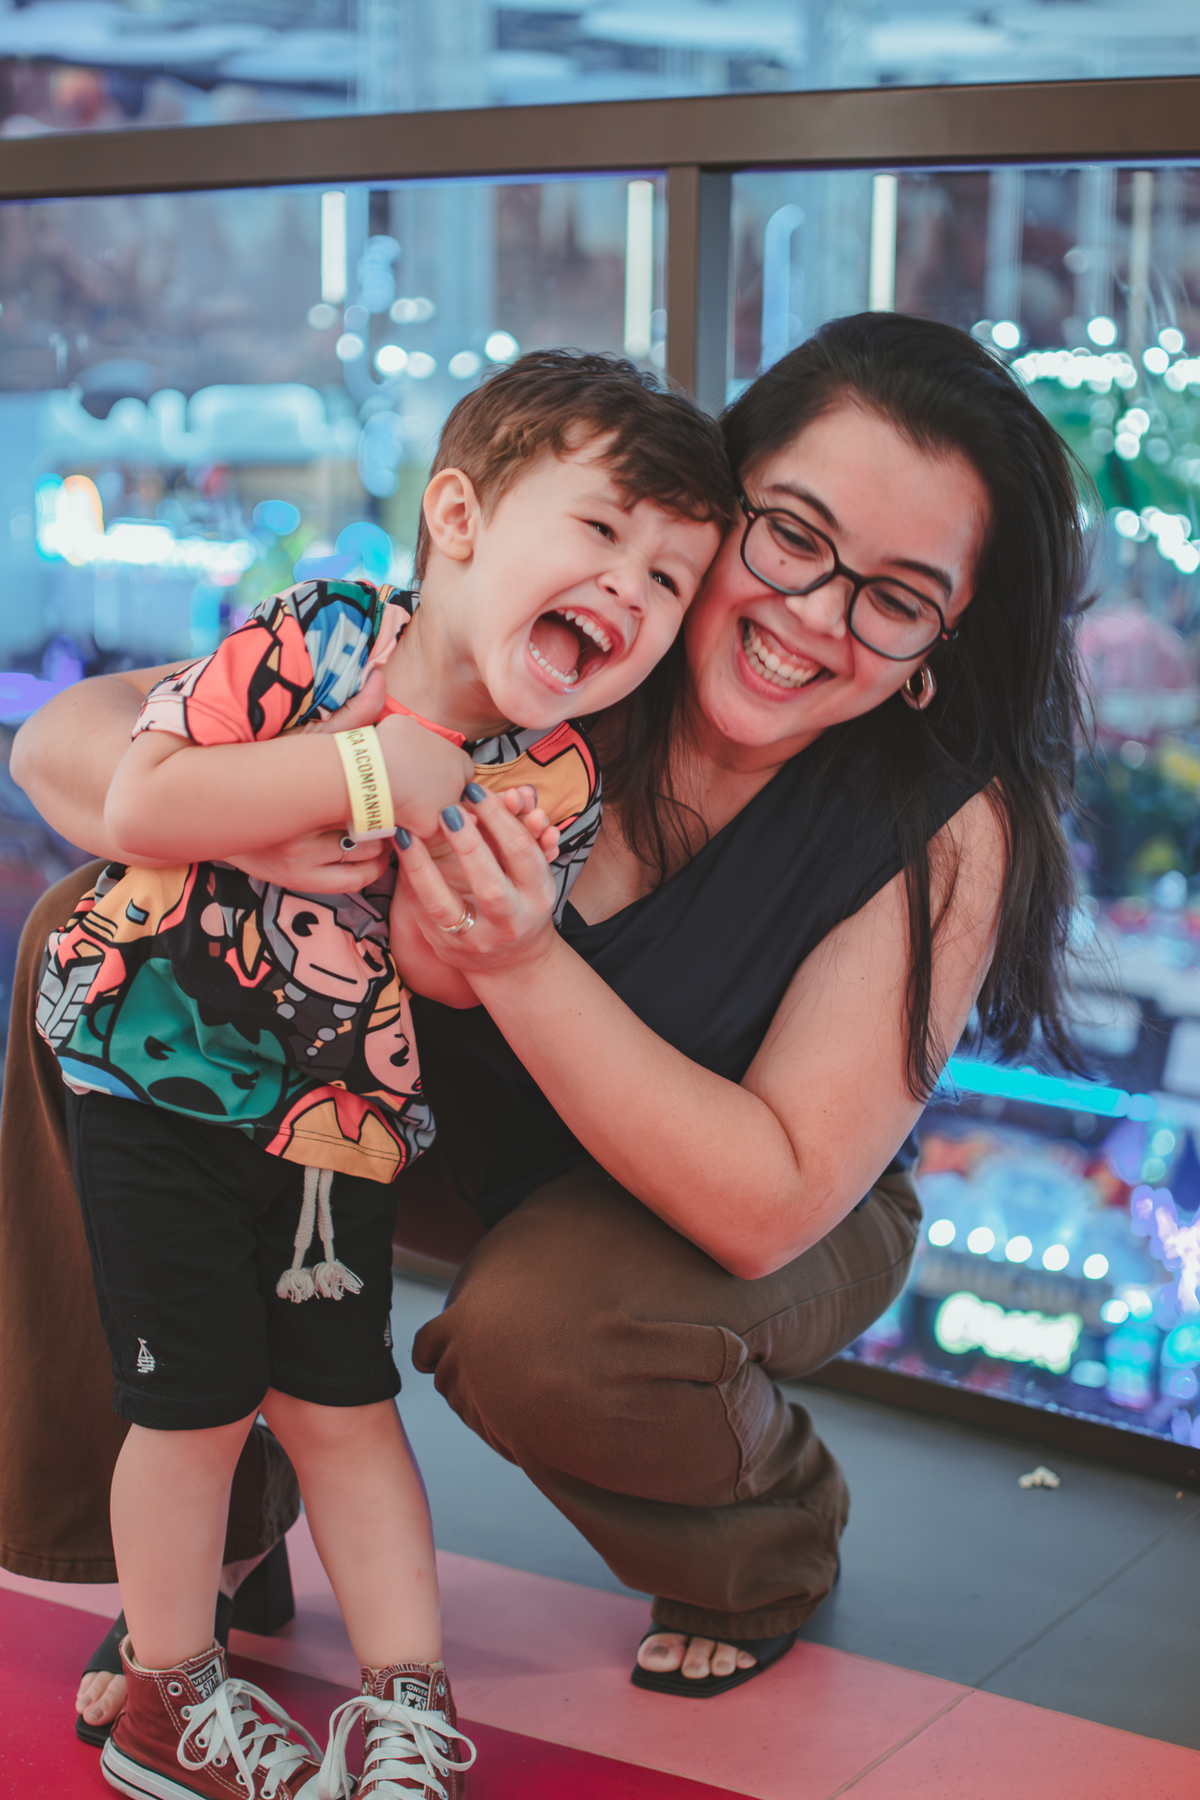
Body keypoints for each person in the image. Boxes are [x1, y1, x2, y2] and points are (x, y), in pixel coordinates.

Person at [6, 313, 1086, 1722]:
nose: (816, 613)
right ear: (714, 509)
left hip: (726, 1209)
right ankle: (202, 1532)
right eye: (791, 537)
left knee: (545, 1331)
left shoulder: (944, 821)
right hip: (433, 1116)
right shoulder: (559, 647)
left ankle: (760, 1538)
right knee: (104, 944)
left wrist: (520, 961)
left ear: (941, 644)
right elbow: (71, 744)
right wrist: (278, 813)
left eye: (894, 596)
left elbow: (766, 1201)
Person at [28, 349, 729, 1800]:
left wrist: (470, 918)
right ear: (461, 518)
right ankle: (170, 1693)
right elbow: (144, 796)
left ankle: (407, 1706)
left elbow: (439, 977)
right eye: (602, 533)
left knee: (344, 1405)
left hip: (336, 1116)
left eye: (670, 581)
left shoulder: (552, 773)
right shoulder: (328, 636)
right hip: (152, 1074)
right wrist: (364, 779)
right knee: (195, 1406)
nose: (632, 592)